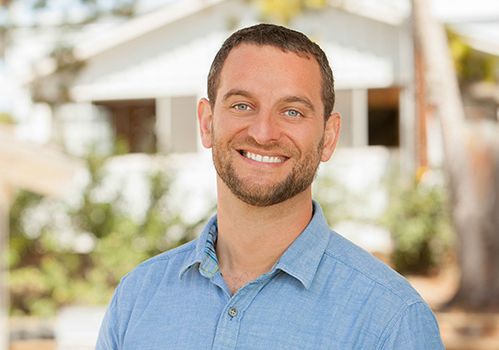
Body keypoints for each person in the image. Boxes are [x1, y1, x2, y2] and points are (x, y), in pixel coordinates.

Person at [96, 23, 445, 349]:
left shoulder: (392, 320)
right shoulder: (137, 297)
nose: (263, 133)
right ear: (206, 123)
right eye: (242, 105)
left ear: (328, 136)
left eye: (292, 111)